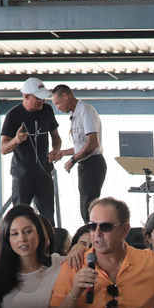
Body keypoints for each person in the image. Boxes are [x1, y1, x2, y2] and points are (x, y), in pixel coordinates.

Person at [2, 77, 62, 220]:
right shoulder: (13, 115)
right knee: (20, 217)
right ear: (26, 96)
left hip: (44, 173)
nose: (42, 101)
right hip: (22, 175)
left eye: (44, 98)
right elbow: (3, 148)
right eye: (38, 98)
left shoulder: (47, 110)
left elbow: (56, 137)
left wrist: (56, 149)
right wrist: (16, 140)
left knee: (48, 218)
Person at [50, 84, 105, 222]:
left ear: (65, 96)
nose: (57, 108)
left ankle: (92, 233)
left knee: (89, 208)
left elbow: (93, 143)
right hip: (85, 163)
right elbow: (82, 145)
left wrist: (73, 159)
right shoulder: (74, 115)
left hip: (93, 163)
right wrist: (63, 153)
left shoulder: (85, 111)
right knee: (85, 208)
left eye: (57, 103)